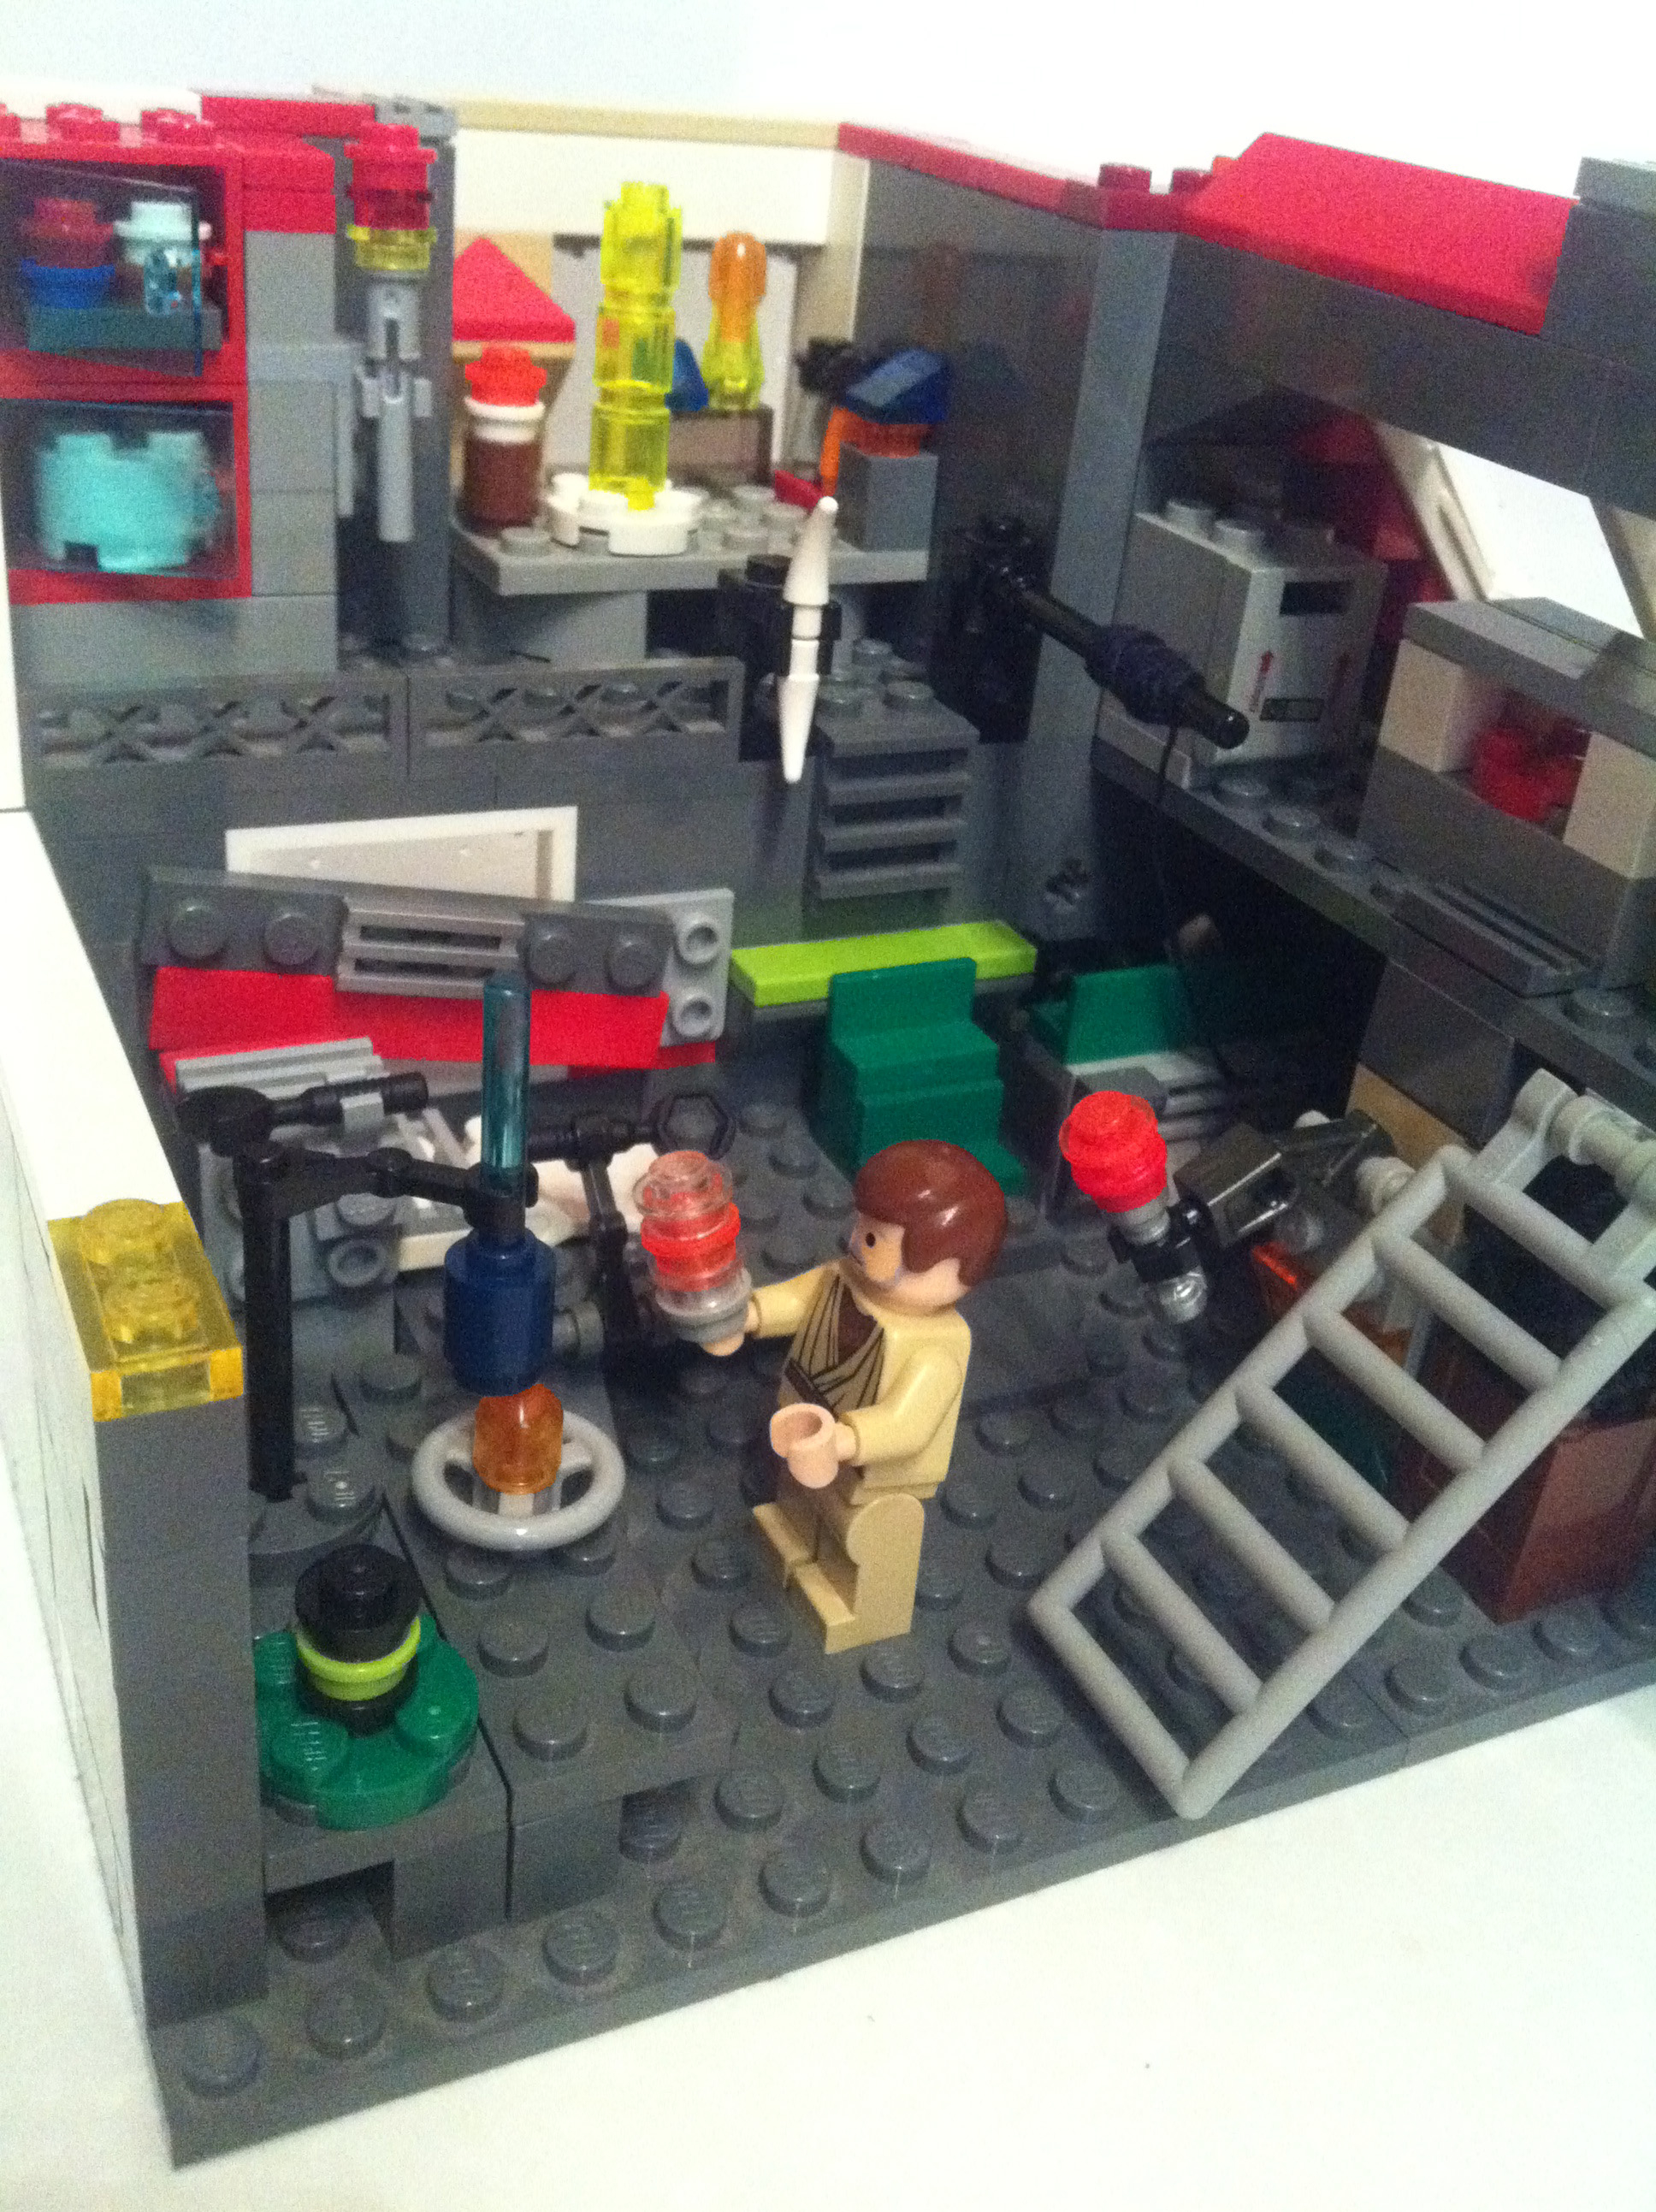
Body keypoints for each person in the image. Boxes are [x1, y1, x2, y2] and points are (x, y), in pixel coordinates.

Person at [709, 1139, 1006, 1651]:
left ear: (947, 1261)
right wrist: (747, 1316)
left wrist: (844, 1441)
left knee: (864, 1533)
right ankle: (793, 1545)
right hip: (810, 1432)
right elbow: (797, 1300)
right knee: (800, 1501)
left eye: (874, 1236)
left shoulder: (934, 1348)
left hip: (875, 1475)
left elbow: (907, 1424)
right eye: (862, 1226)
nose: (855, 1242)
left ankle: (860, 1607)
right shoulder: (842, 1280)